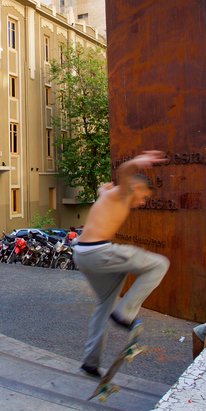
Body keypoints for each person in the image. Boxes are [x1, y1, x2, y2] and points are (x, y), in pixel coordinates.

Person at [72, 151, 171, 378]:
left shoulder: (109, 194)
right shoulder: (123, 192)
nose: (142, 202)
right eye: (144, 196)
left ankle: (90, 361)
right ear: (136, 188)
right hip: (99, 252)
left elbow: (103, 191)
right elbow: (124, 172)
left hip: (83, 254)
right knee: (159, 264)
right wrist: (138, 162)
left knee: (104, 305)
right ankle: (125, 313)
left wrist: (102, 190)